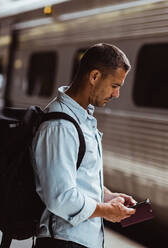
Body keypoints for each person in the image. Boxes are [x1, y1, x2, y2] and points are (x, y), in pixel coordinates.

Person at [32, 43, 136, 248]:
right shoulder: (60, 125)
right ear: (95, 76)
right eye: (115, 86)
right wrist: (107, 211)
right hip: (63, 242)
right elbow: (61, 197)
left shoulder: (80, 119)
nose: (116, 95)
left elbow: (78, 176)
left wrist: (106, 196)